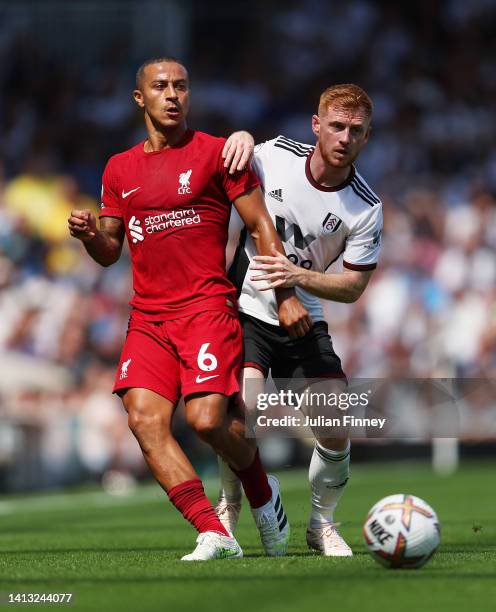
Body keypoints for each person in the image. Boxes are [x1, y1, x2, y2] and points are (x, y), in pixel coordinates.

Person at [68, 57, 311, 561]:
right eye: (160, 87)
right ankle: (213, 531)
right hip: (149, 318)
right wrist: (93, 235)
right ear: (141, 98)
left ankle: (264, 494)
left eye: (181, 86)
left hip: (205, 308)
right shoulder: (119, 168)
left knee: (205, 422)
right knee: (143, 420)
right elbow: (111, 251)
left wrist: (285, 295)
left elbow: (262, 227)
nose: (173, 95)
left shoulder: (216, 154)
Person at [216, 83, 383, 556]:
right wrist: (242, 135)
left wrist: (296, 276)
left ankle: (321, 525)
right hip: (246, 305)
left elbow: (353, 286)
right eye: (336, 126)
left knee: (335, 422)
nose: (344, 137)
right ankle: (227, 510)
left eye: (355, 131)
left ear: (367, 138)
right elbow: (235, 158)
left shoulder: (366, 207)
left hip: (301, 314)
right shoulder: (276, 156)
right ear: (316, 126)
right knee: (238, 415)